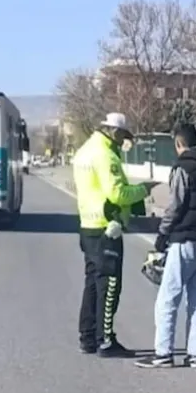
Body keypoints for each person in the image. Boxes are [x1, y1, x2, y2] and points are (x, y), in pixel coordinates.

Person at [136, 123, 196, 369]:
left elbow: (175, 206)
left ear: (178, 144)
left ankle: (163, 353)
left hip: (183, 239)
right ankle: (195, 354)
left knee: (167, 298)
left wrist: (162, 235)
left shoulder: (182, 169)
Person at [73, 112, 157, 357]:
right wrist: (144, 190)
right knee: (109, 285)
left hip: (87, 224)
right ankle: (106, 340)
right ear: (113, 131)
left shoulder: (85, 151)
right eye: (122, 136)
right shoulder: (105, 155)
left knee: (92, 283)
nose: (123, 142)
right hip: (107, 227)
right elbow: (117, 194)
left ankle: (87, 337)